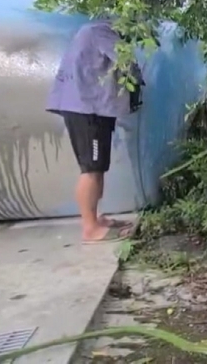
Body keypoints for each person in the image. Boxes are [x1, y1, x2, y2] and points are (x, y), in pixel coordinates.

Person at [46, 19, 143, 244]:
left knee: (96, 168)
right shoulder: (102, 31)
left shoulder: (90, 29)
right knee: (90, 169)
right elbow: (126, 62)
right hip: (87, 109)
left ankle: (95, 220)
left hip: (89, 108)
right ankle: (89, 228)